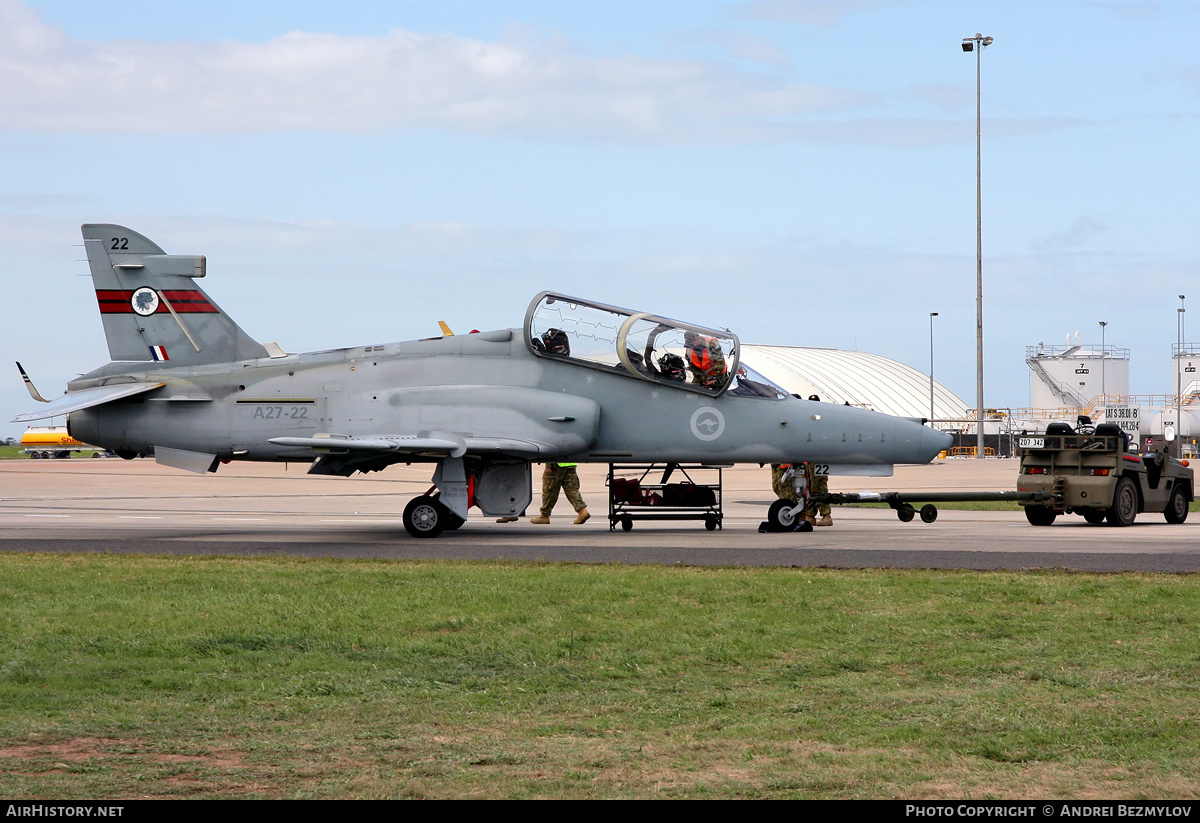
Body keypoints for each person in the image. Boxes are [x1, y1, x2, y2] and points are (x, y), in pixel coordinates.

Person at [803, 394, 833, 527]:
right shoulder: (807, 420)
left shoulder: (823, 422)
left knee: (819, 486)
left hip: (818, 458)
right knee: (808, 486)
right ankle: (810, 515)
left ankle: (826, 515)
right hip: (809, 458)